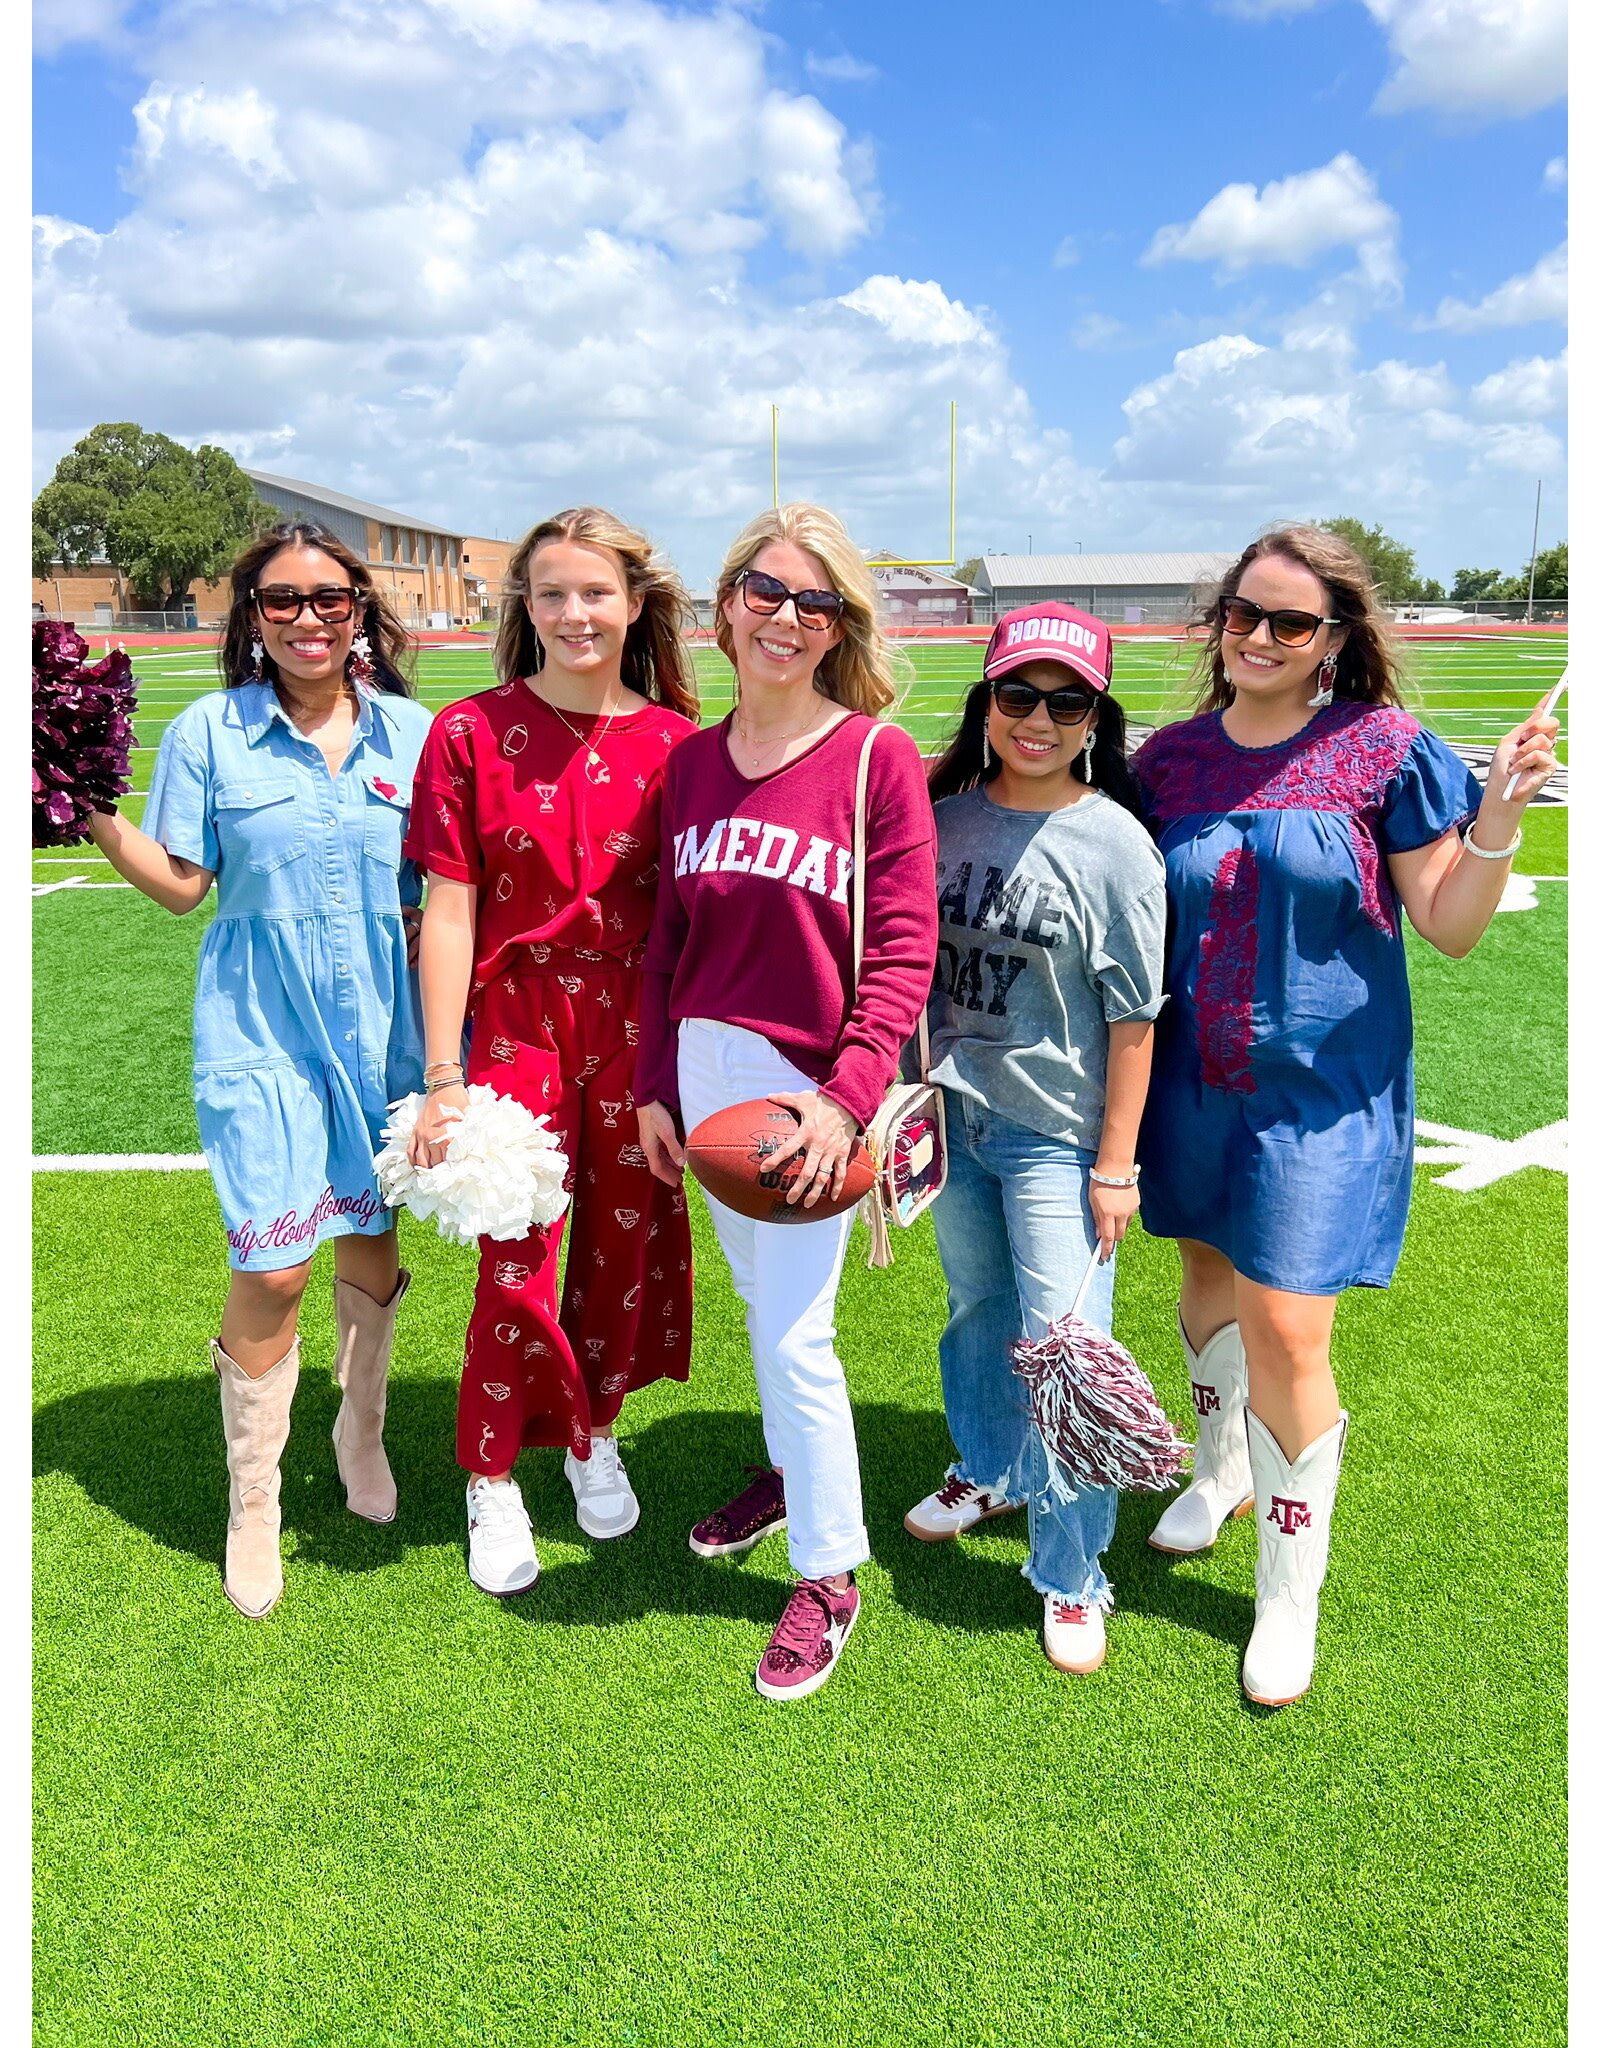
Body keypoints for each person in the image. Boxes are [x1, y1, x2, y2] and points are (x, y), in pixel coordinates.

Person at [1133, 525, 1560, 1706]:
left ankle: (1285, 1588)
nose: (1259, 638)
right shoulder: (1165, 760)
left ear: (1335, 640)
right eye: (1243, 614)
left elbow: (1451, 922)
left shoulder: (1384, 748)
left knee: (1287, 1328)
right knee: (1207, 1278)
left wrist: (1498, 815)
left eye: (1290, 622)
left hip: (1320, 1097)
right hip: (1189, 1077)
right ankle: (1217, 1466)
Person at [87, 521, 431, 1618]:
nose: (306, 619)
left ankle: (360, 1432)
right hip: (260, 1037)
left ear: (359, 609)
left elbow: (445, 897)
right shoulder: (209, 732)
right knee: (276, 1266)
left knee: (373, 1244)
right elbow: (185, 884)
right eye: (280, 600)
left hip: (387, 1038)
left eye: (327, 598)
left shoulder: (416, 735)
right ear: (251, 614)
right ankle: (254, 1495)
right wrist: (81, 802)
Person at [634, 502, 937, 1702]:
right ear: (725, 605)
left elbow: (903, 952)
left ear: (839, 628)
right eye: (766, 591)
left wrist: (845, 1098)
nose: (787, 617)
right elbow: (665, 945)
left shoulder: (874, 757)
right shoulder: (691, 764)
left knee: (792, 1330)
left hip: (807, 1085)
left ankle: (830, 1569)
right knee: (761, 1299)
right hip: (704, 1074)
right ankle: (787, 1470)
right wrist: (660, 1082)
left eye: (816, 603)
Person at [404, 508, 700, 1597]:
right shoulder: (470, 733)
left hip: (639, 1024)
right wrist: (444, 1075)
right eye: (551, 592)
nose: (574, 613)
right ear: (524, 606)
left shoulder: (679, 744)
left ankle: (593, 1428)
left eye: (595, 592)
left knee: (626, 1256)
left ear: (634, 603)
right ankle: (491, 1469)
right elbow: (447, 909)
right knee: (513, 1258)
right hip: (519, 1022)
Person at [903, 604, 1167, 1676]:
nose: (1038, 719)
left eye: (1066, 702)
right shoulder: (942, 814)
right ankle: (990, 1462)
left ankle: (1071, 1571)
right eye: (1018, 695)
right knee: (976, 1313)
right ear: (986, 702)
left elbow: (1134, 1018)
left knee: (1067, 1350)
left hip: (1055, 1138)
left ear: (1094, 716)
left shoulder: (1116, 845)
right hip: (952, 1118)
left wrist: (1115, 1164)